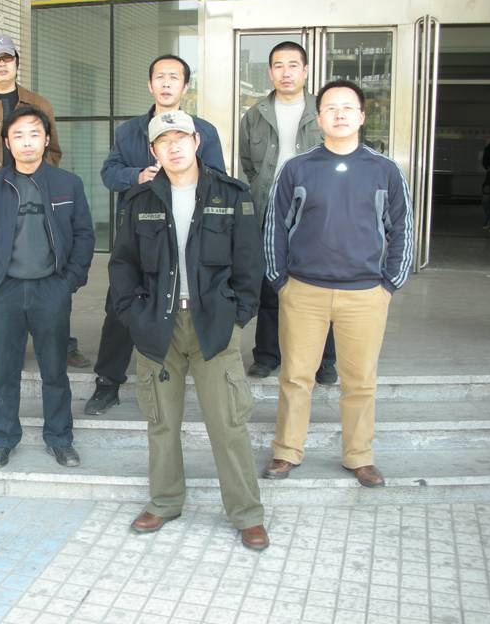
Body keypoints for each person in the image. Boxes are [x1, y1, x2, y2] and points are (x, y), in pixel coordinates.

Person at [109, 110, 268, 550]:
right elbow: (123, 265)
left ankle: (247, 514)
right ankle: (164, 501)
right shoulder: (139, 200)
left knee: (228, 423)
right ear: (153, 151)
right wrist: (132, 314)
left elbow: (250, 262)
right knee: (161, 422)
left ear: (197, 142)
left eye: (181, 137)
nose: (174, 146)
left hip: (213, 326)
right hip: (157, 327)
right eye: (164, 141)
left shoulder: (231, 195)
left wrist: (237, 316)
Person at [263, 80, 414, 488]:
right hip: (303, 291)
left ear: (362, 117)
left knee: (360, 380)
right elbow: (275, 226)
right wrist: (280, 280)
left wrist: (391, 282)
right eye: (331, 107)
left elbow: (402, 227)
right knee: (296, 376)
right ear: (319, 118)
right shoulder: (297, 168)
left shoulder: (384, 171)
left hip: (365, 294)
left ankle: (359, 456)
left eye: (348, 107)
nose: (340, 114)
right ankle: (286, 451)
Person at [86, 54, 226, 416]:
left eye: (174, 77)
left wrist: (183, 174)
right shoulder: (128, 131)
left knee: (189, 303)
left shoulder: (204, 131)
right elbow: (109, 173)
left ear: (185, 86)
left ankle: (193, 374)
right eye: (160, 77)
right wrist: (137, 177)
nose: (166, 83)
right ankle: (107, 382)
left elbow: (219, 179)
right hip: (140, 235)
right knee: (121, 305)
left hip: (188, 235)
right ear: (150, 85)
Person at [0, 34, 89, 369]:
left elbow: (54, 151)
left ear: (16, 62)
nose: (2, 65)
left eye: (7, 58)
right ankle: (6, 344)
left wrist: (37, 179)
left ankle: (60, 342)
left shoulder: (39, 103)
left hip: (38, 203)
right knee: (0, 271)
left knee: (49, 268)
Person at [0, 105, 94, 469]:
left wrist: (69, 281)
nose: (27, 142)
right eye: (18, 135)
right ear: (7, 142)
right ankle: (3, 439)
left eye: (34, 134)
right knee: (5, 371)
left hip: (50, 289)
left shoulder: (68, 183)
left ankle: (60, 438)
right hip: (3, 290)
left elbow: (84, 235)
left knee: (55, 370)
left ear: (47, 139)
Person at [238, 41, 337, 384]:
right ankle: (267, 355)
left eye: (293, 65)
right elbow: (249, 166)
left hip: (316, 215)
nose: (286, 72)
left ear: (305, 70)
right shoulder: (255, 115)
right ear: (270, 72)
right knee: (270, 285)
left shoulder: (323, 110)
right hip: (270, 210)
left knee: (320, 286)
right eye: (278, 65)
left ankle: (324, 360)